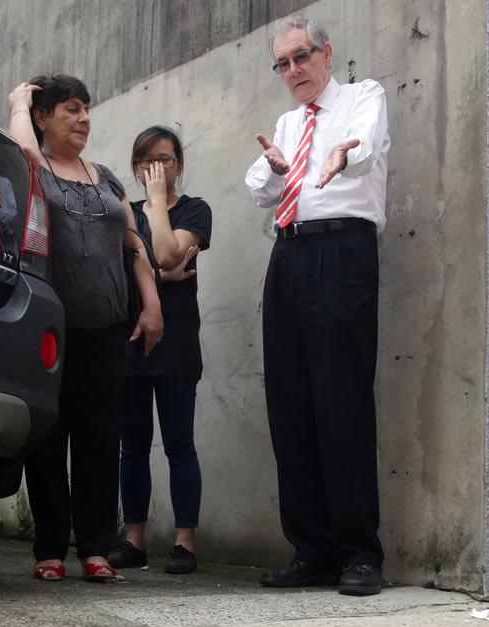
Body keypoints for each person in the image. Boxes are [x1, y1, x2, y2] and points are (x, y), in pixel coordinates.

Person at [245, 18, 390, 595]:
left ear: (326, 53)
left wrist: (337, 157)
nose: (293, 71)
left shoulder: (362, 96)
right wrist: (279, 169)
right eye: (282, 64)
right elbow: (260, 186)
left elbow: (365, 144)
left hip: (342, 249)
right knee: (291, 403)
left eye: (301, 57)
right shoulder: (286, 121)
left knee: (341, 399)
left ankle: (359, 552)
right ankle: (312, 549)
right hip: (289, 254)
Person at [8, 75, 163, 582]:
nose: (84, 119)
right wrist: (17, 101)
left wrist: (151, 302)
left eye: (87, 110)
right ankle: (50, 546)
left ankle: (96, 547)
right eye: (71, 110)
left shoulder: (106, 178)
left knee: (101, 438)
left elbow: (133, 242)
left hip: (106, 327)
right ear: (42, 117)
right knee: (49, 438)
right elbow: (21, 151)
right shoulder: (35, 166)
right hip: (50, 327)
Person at [108, 127, 212, 575]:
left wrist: (155, 205)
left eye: (166, 159)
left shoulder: (195, 209)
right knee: (131, 447)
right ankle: (134, 540)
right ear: (135, 166)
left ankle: (185, 543)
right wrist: (161, 275)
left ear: (179, 165)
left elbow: (169, 255)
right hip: (131, 340)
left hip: (178, 343)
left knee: (179, 445)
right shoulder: (122, 214)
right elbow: (124, 271)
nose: (158, 168)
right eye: (148, 160)